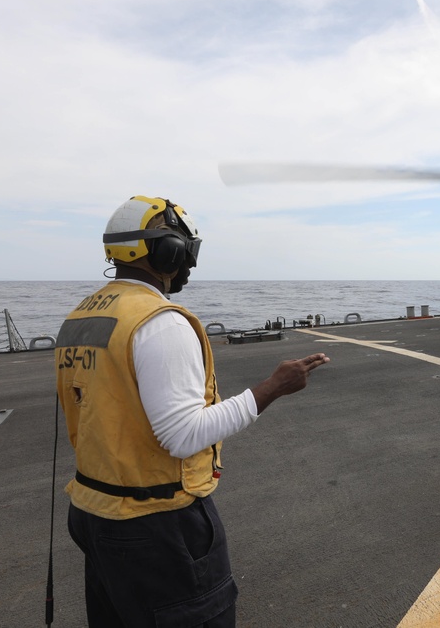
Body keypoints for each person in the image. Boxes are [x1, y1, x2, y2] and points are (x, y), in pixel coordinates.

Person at [56, 195, 330, 627]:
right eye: (187, 251)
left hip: (94, 512)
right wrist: (272, 388)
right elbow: (182, 435)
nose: (189, 264)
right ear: (165, 251)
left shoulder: (82, 317)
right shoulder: (159, 321)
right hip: (154, 523)